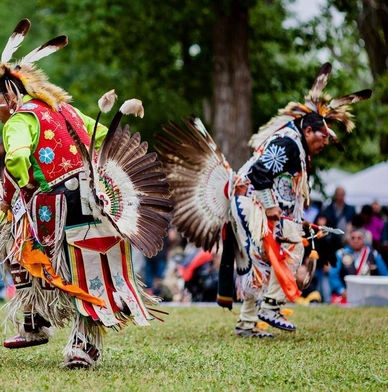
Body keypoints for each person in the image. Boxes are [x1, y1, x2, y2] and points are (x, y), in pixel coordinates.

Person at [0, 19, 172, 368]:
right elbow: (100, 134)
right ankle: (78, 344)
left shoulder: (20, 120)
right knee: (90, 270)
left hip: (56, 205)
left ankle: (36, 321)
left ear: (12, 96)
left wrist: (20, 187)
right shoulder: (64, 110)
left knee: (14, 240)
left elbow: (16, 158)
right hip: (96, 199)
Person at [156, 62, 372, 338]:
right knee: (285, 251)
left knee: (261, 261)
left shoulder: (294, 144)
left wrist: (294, 218)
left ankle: (247, 323)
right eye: (322, 138)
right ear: (308, 131)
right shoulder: (288, 144)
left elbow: (283, 190)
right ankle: (270, 306)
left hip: (252, 203)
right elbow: (259, 174)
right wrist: (272, 209)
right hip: (250, 202)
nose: (324, 143)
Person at [329, 228, 388, 304]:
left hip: (369, 295)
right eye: (353, 238)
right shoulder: (340, 254)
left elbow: (385, 274)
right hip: (347, 294)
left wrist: (382, 289)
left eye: (359, 238)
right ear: (349, 239)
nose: (355, 241)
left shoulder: (373, 254)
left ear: (364, 240)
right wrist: (342, 290)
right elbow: (333, 275)